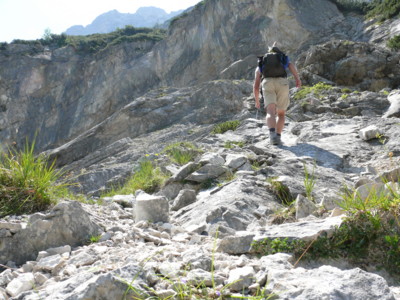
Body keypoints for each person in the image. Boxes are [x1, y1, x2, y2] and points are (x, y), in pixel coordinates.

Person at [253, 42, 301, 145]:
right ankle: (278, 137)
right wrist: (297, 78)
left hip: (267, 83)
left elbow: (256, 84)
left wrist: (257, 100)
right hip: (282, 82)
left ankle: (272, 135)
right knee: (281, 113)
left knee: (270, 111)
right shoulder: (282, 58)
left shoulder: (262, 61)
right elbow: (291, 65)